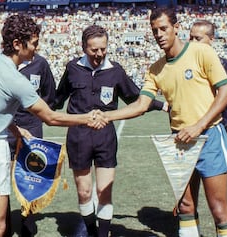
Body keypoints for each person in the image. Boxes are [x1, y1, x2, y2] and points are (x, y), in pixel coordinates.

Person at [0, 14, 107, 237]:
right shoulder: (15, 78)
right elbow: (50, 117)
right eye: (34, 43)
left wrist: (16, 130)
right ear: (18, 44)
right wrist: (88, 118)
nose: (36, 50)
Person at [104, 7, 227, 237]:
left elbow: (226, 92)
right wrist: (106, 115)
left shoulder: (200, 52)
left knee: (218, 209)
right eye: (155, 31)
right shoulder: (156, 69)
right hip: (180, 143)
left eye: (164, 28)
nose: (159, 35)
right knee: (185, 208)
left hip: (210, 137)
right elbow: (140, 105)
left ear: (176, 28)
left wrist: (198, 126)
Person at [52, 24, 167, 237]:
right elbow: (57, 99)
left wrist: (162, 106)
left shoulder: (115, 70)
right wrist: (31, 106)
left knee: (103, 192)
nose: (99, 54)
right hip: (78, 137)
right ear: (83, 47)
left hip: (105, 137)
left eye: (103, 49)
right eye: (94, 50)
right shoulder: (72, 68)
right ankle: (91, 232)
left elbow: (136, 98)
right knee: (84, 192)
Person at [5, 51, 56, 237]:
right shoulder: (5, 63)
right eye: (32, 41)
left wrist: (36, 115)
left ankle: (28, 218)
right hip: (7, 124)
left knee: (30, 175)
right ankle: (5, 220)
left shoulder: (41, 63)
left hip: (32, 126)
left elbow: (50, 94)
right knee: (5, 176)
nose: (35, 46)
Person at [189, 20, 227, 138]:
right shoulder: (183, 64)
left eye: (198, 38)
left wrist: (219, 131)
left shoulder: (225, 66)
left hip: (214, 133)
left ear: (211, 39)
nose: (193, 42)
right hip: (187, 133)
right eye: (191, 38)